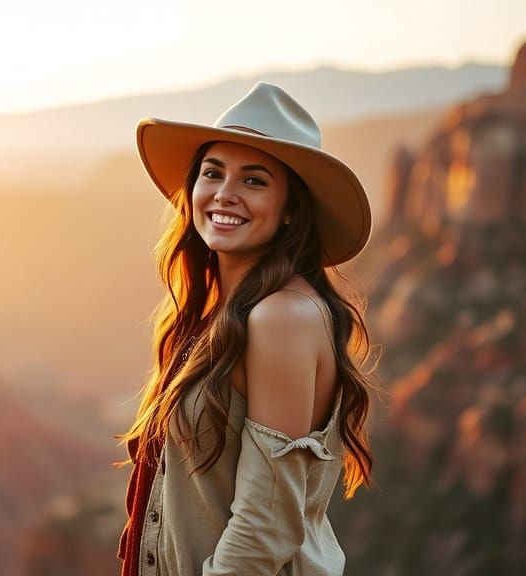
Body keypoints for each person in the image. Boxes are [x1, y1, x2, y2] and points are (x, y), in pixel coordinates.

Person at [116, 81, 381, 576]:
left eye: (254, 181)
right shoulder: (221, 314)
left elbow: (265, 528)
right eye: (212, 173)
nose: (225, 193)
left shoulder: (281, 317)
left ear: (290, 212)